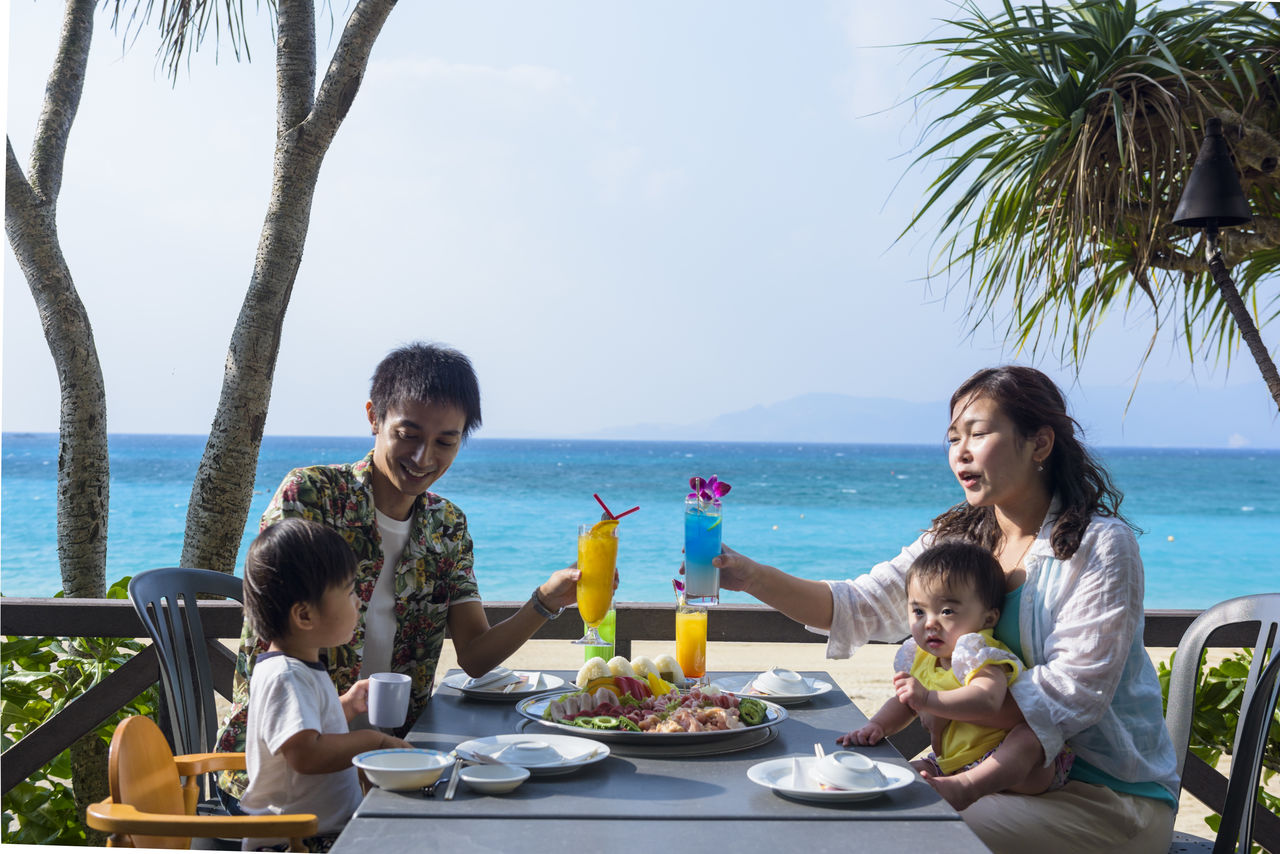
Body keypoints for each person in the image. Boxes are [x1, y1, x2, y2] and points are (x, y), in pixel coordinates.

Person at [710, 365, 1178, 853]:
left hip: (1100, 798)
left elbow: (1071, 696)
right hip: (979, 776)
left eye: (978, 433)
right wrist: (751, 576)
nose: (962, 451)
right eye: (954, 437)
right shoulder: (960, 541)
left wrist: (933, 701)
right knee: (826, 811)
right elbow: (859, 605)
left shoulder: (1100, 546)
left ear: (1040, 444)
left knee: (894, 837)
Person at [218, 342, 594, 802]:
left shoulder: (447, 525)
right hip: (288, 778)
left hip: (402, 762)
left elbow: (474, 656)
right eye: (408, 435)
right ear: (374, 417)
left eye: (445, 442)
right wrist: (350, 740)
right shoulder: (311, 496)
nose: (423, 458)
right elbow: (270, 633)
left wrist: (546, 601)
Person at [840, 540, 1071, 807]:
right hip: (951, 763)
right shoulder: (920, 657)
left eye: (947, 611)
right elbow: (904, 704)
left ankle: (968, 787)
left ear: (988, 619)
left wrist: (928, 700)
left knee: (1028, 737)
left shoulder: (977, 652)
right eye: (918, 611)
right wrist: (877, 726)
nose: (930, 623)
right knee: (895, 777)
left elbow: (988, 699)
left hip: (1016, 766)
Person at [238, 518, 412, 852]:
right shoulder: (287, 676)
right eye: (348, 593)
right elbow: (305, 755)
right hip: (296, 842)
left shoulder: (292, 667)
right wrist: (372, 741)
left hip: (317, 833)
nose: (357, 602)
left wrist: (346, 705)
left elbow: (305, 732)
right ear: (304, 616)